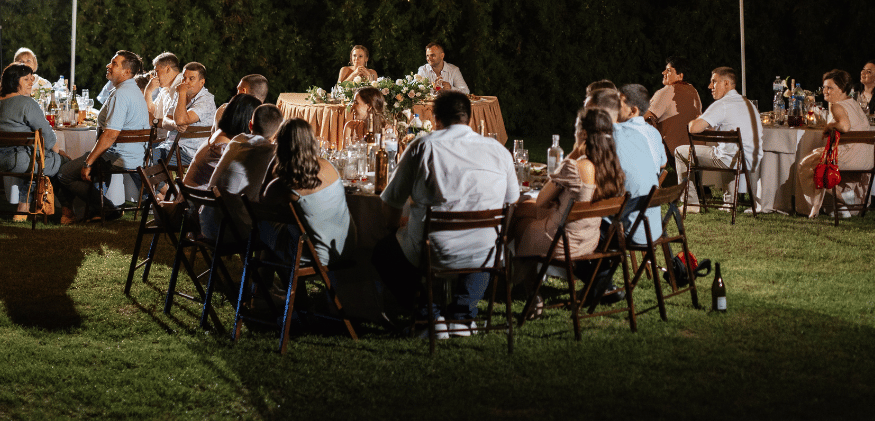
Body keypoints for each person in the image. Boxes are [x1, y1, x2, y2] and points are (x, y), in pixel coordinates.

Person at [373, 91, 517, 336]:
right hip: (486, 253)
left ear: (436, 120)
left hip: (433, 250)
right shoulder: (498, 151)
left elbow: (392, 200)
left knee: (384, 251)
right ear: (469, 120)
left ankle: (428, 316)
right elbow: (512, 203)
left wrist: (392, 226)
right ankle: (463, 317)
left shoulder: (423, 146)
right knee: (483, 244)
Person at [512, 106, 624, 267]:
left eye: (577, 129)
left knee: (520, 220)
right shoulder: (611, 168)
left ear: (584, 134)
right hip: (588, 240)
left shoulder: (574, 167)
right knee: (523, 208)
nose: (575, 134)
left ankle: (522, 282)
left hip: (561, 242)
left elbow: (541, 200)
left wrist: (573, 155)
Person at [55, 51, 150, 223]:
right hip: (133, 154)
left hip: (117, 157)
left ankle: (106, 208)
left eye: (114, 63)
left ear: (127, 72)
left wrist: (88, 162)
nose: (108, 65)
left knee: (64, 174)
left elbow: (111, 134)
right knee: (73, 169)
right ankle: (90, 210)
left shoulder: (121, 94)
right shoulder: (133, 90)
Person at [261, 118, 353, 267]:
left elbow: (262, 202)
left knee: (262, 225)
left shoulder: (283, 184)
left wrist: (274, 160)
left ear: (280, 146)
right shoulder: (329, 166)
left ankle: (262, 285)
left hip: (314, 256)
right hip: (345, 248)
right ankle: (272, 285)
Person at [0, 62, 67, 221]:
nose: (32, 82)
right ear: (14, 81)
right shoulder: (27, 103)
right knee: (61, 163)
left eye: (32, 79)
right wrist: (58, 154)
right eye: (26, 79)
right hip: (19, 161)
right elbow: (48, 137)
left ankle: (23, 209)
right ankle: (65, 212)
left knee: (35, 161)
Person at [674, 67, 760, 211]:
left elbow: (694, 129)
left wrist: (694, 122)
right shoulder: (748, 103)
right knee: (727, 148)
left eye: (714, 82)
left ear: (726, 83)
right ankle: (729, 201)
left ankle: (691, 203)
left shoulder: (722, 104)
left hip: (728, 160)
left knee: (679, 151)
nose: (710, 86)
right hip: (747, 159)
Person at [794, 70, 875, 217]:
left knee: (806, 165)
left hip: (849, 157)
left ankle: (820, 205)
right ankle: (840, 205)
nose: (825, 91)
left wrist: (829, 126)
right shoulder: (854, 104)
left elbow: (844, 126)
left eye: (830, 88)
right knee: (822, 162)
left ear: (842, 89)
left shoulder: (837, 106)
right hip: (867, 158)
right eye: (824, 87)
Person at [587, 88, 661, 245]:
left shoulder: (604, 139)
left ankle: (587, 268)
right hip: (651, 227)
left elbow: (584, 175)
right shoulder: (637, 135)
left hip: (627, 230)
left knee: (576, 224)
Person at [183, 93, 262, 190]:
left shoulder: (221, 133)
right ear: (246, 119)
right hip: (198, 200)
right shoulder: (222, 146)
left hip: (194, 196)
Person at [208, 102, 283, 201]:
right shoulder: (272, 152)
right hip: (236, 214)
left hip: (209, 210)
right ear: (277, 133)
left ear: (250, 125)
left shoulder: (236, 140)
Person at [152, 62, 216, 167]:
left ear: (202, 82)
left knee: (145, 159)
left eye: (191, 79)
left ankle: (161, 183)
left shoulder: (206, 100)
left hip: (190, 154)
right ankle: (162, 183)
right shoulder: (181, 96)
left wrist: (181, 93)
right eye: (184, 78)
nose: (185, 82)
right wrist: (173, 124)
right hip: (171, 147)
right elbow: (165, 121)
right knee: (144, 156)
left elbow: (181, 120)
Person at [644, 57, 703, 166]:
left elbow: (645, 116)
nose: (663, 72)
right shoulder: (693, 91)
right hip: (696, 148)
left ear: (680, 76)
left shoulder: (668, 91)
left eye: (669, 70)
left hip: (673, 151)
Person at [617, 84, 667, 174]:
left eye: (618, 105)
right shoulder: (654, 132)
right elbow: (663, 163)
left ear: (633, 111)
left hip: (625, 186)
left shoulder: (620, 131)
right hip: (651, 186)